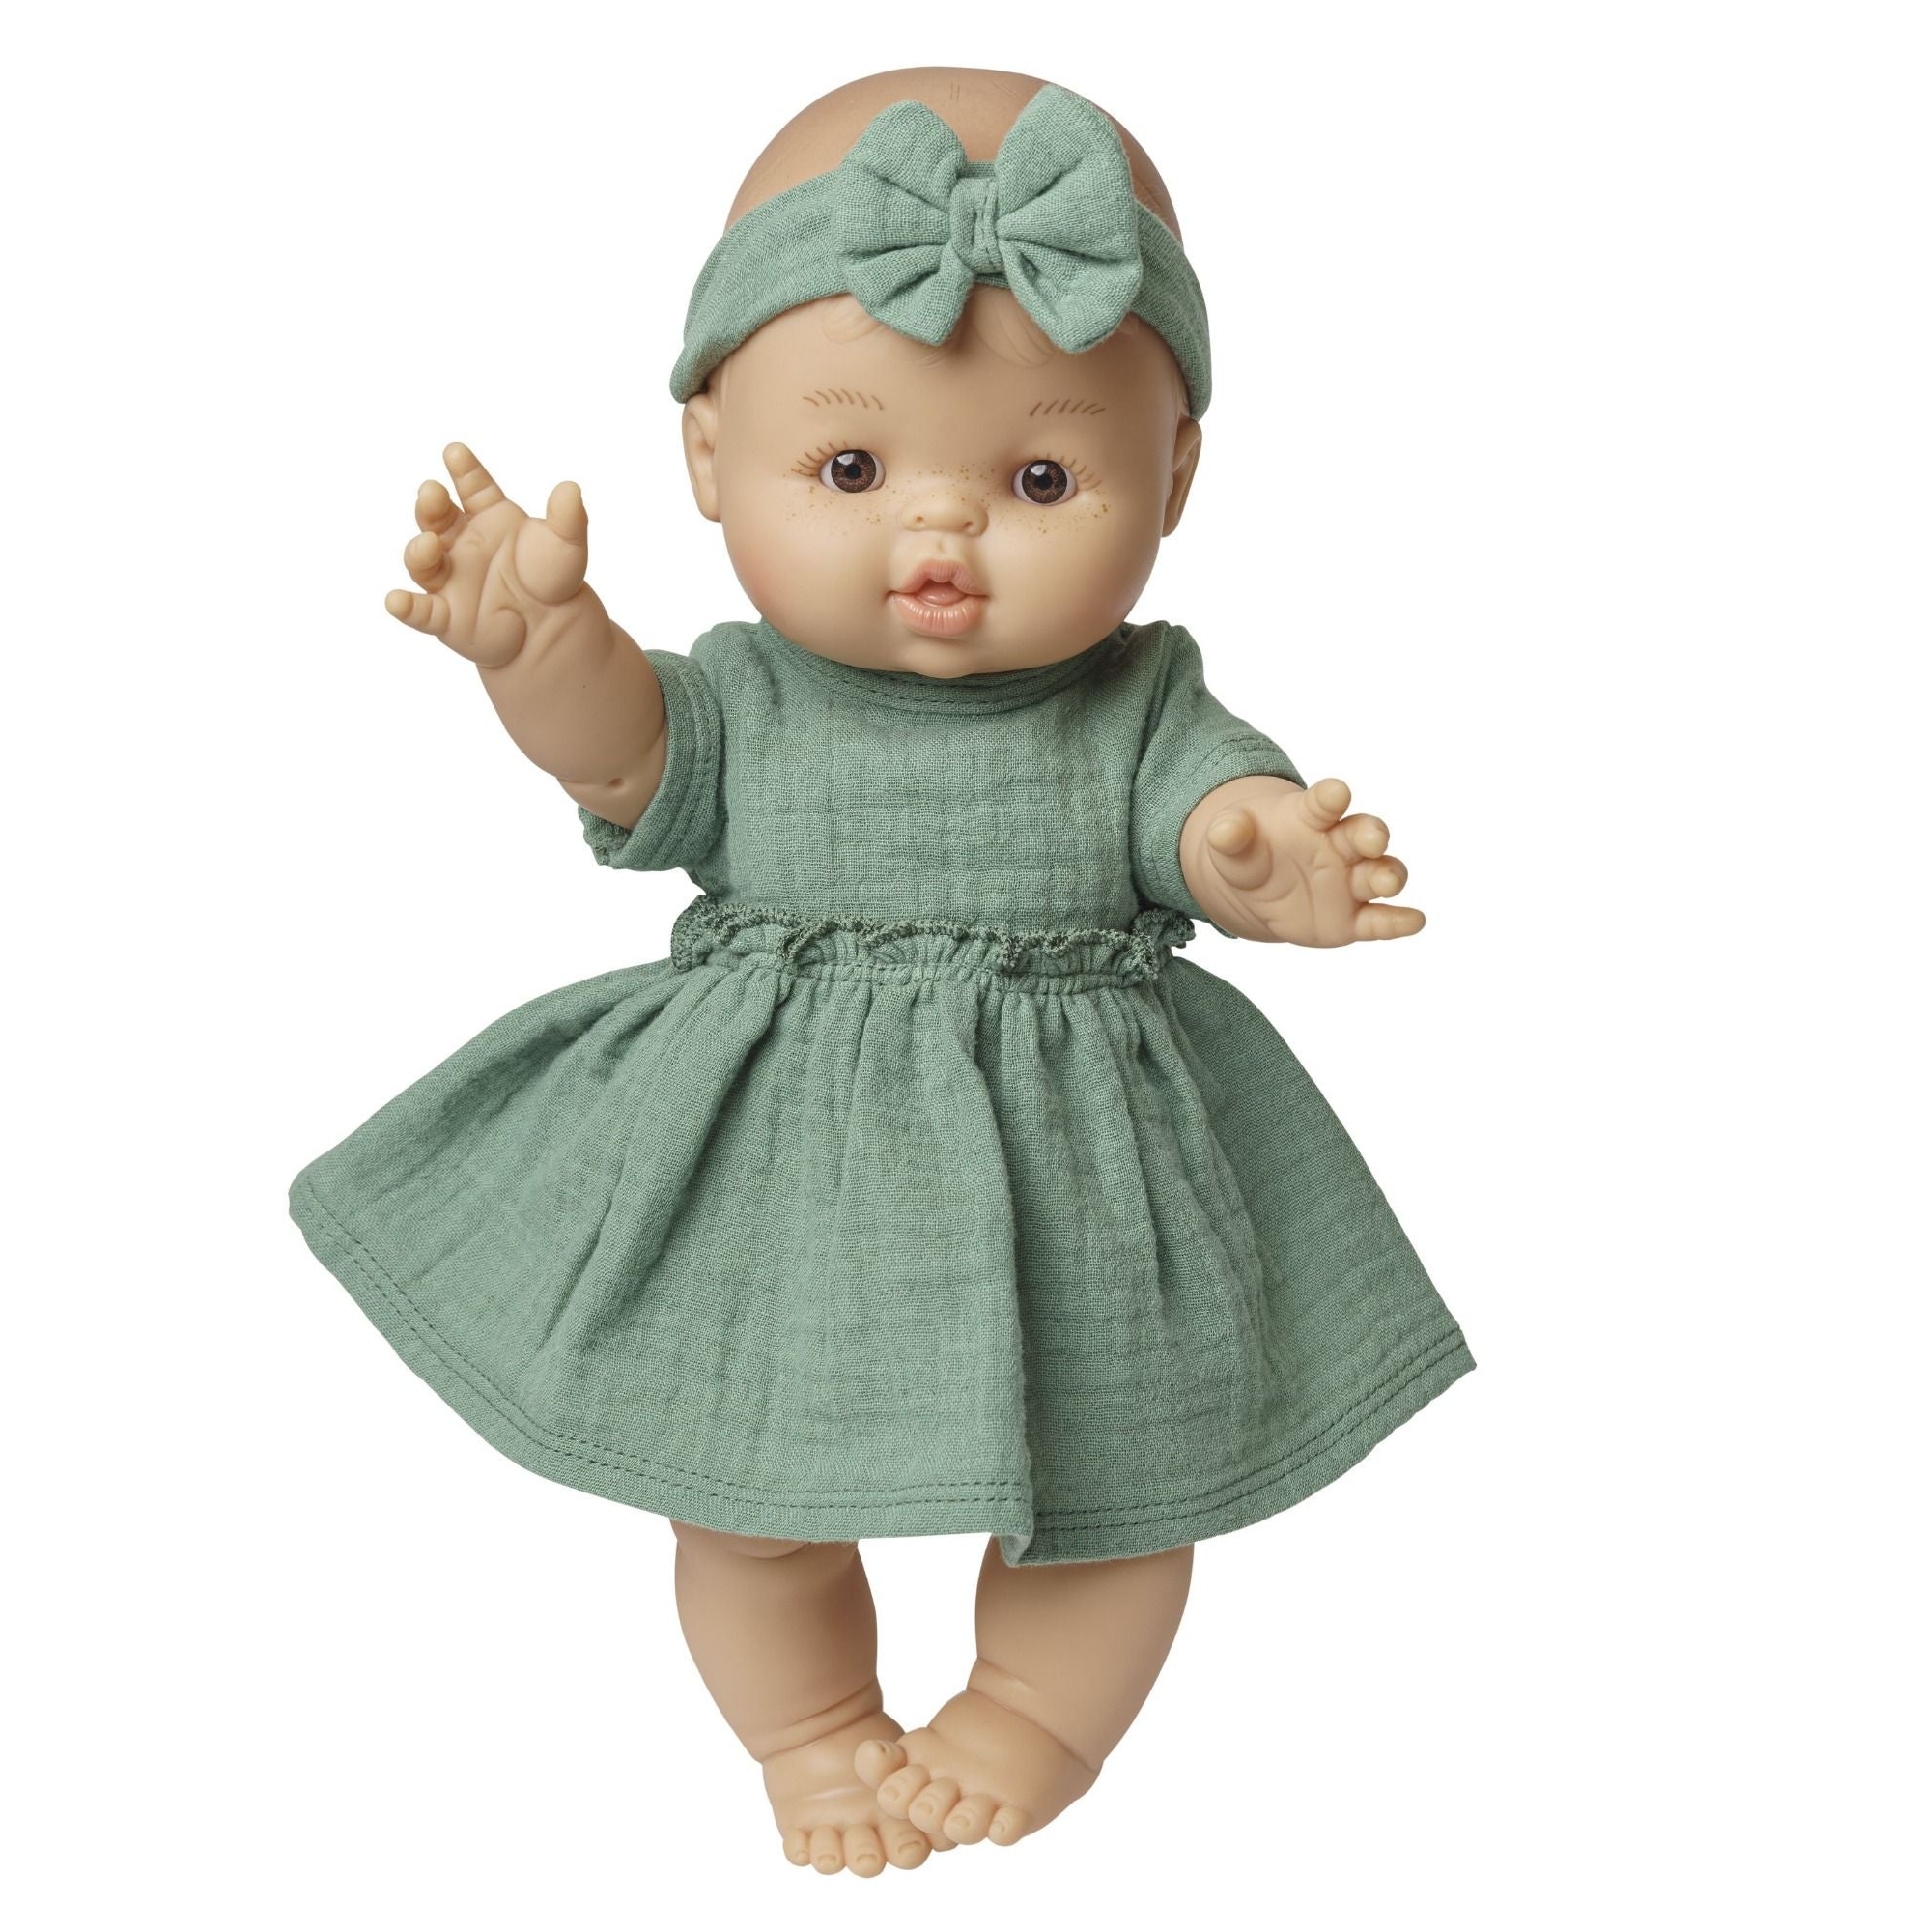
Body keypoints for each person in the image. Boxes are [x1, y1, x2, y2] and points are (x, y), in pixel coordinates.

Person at [290, 67, 1474, 1877]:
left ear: (1175, 478)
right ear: (707, 460)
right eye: (851, 470)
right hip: (776, 1165)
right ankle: (811, 1727)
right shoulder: (745, 696)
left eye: (1041, 477)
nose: (941, 533)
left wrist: (1257, 857)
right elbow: (628, 760)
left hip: (1089, 1176)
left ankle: (1038, 1715)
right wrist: (539, 651)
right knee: (741, 1494)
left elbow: (1207, 810)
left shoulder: (1141, 697)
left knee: (1125, 1480)